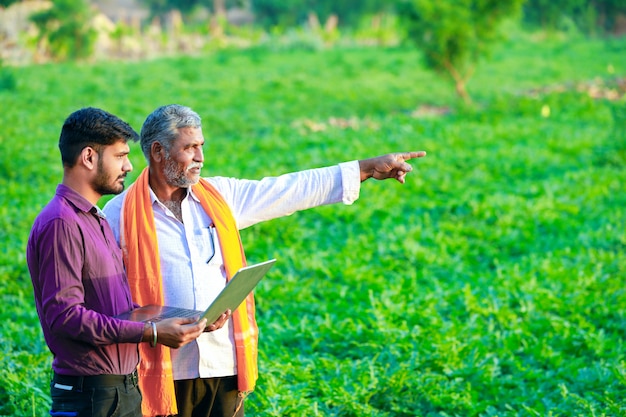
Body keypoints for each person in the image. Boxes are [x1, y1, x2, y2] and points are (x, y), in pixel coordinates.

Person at [103, 104, 427, 417]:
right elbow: (107, 299)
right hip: (162, 369)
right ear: (158, 152)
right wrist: (158, 326)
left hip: (223, 361)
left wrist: (366, 167)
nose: (201, 158)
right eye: (190, 148)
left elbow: (288, 189)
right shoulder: (117, 216)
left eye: (201, 146)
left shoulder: (220, 196)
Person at [26, 107, 227, 417]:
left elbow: (116, 307)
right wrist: (153, 334)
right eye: (120, 156)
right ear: (90, 157)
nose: (130, 166)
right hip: (91, 393)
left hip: (120, 388)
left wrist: (191, 320)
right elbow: (65, 317)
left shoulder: (97, 220)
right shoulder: (61, 223)